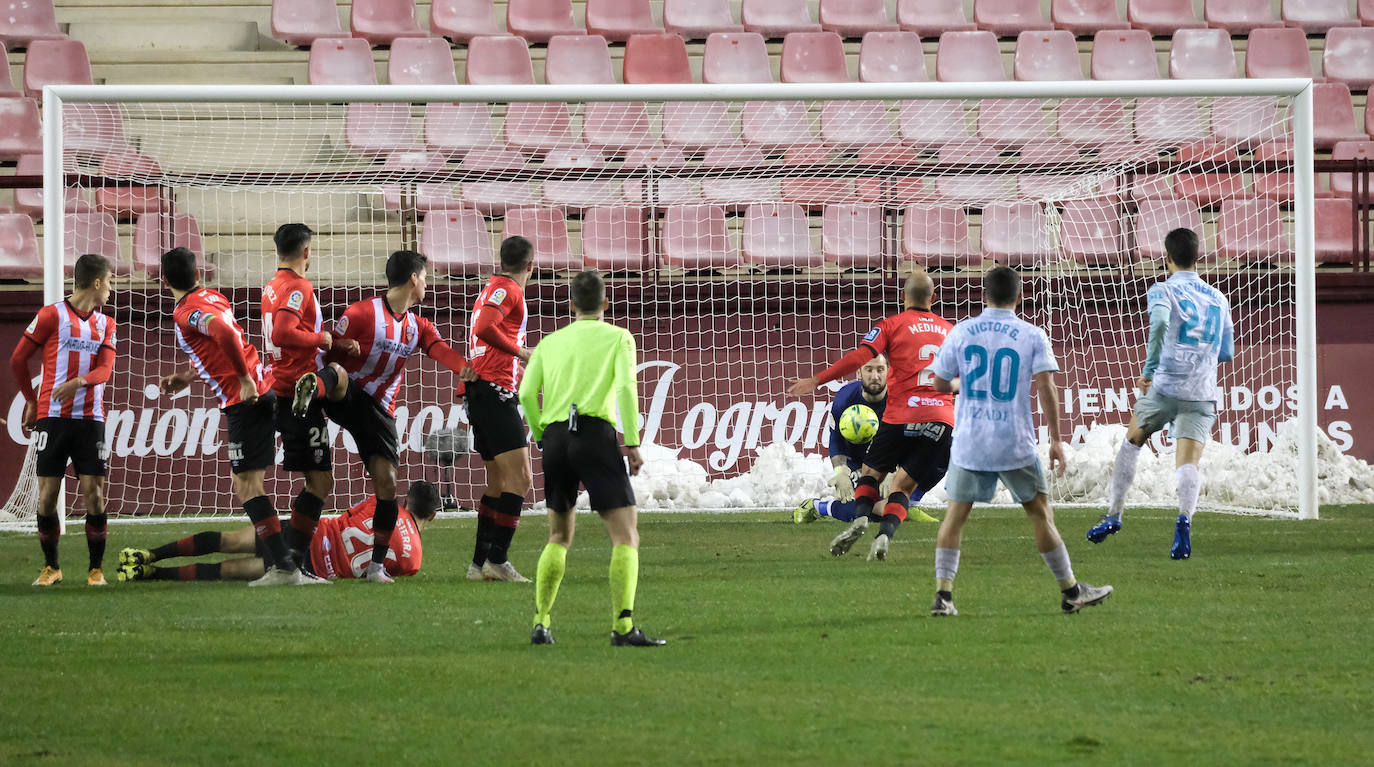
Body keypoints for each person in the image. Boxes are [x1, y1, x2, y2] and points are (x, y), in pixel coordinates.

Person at [926, 266, 1113, 616]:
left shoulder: (962, 332)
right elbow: (1046, 387)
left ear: (983, 295)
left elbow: (938, 384)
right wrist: (1056, 439)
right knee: (1041, 515)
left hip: (971, 441)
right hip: (1013, 442)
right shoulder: (1031, 335)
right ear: (1020, 297)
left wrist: (959, 385)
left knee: (954, 518)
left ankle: (943, 596)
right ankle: (1071, 591)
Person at [291, 250, 473, 583]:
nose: (427, 284)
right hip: (348, 396)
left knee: (387, 486)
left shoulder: (417, 326)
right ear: (413, 279)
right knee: (336, 372)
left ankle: (376, 567)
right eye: (426, 278)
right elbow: (329, 351)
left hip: (380, 414)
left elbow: (439, 349)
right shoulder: (362, 313)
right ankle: (310, 390)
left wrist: (464, 369)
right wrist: (345, 346)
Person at [157, 247, 324, 587]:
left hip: (245, 398)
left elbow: (224, 334)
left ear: (163, 281)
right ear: (199, 275)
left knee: (248, 487)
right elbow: (216, 343)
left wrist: (244, 380)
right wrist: (187, 376)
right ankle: (290, 565)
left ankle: (285, 568)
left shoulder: (185, 312)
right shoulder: (213, 296)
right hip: (265, 390)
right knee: (252, 484)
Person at [518, 270, 664, 647]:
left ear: (570, 305)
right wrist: (631, 442)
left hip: (555, 439)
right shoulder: (618, 337)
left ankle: (541, 621)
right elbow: (627, 388)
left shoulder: (550, 341)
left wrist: (539, 435)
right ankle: (622, 626)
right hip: (595, 435)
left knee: (559, 535)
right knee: (625, 535)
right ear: (605, 304)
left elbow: (526, 392)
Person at [1086, 228, 1235, 560]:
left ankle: (1114, 515)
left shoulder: (1162, 290)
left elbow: (1159, 326)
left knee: (1132, 441)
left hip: (1165, 386)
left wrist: (1149, 370)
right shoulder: (1218, 298)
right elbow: (1226, 352)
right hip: (1201, 392)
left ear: (1166, 257)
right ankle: (1183, 523)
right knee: (1188, 463)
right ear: (1197, 257)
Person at [788, 269, 955, 561]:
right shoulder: (951, 331)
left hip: (901, 414)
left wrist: (817, 380)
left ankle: (861, 519)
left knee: (870, 475)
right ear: (934, 298)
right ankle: (885, 536)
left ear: (903, 296)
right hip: (940, 417)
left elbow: (859, 356)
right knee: (902, 487)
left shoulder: (892, 325)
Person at [9, 254, 117, 587]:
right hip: (52, 419)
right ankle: (52, 567)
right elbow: (18, 360)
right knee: (46, 496)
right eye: (110, 282)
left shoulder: (106, 324)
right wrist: (31, 401)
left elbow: (105, 370)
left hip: (90, 419)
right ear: (97, 282)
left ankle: (95, 570)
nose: (111, 289)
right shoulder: (50, 315)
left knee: (94, 495)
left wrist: (78, 383)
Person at [260, 223, 360, 565]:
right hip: (294, 389)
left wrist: (331, 339)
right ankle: (295, 560)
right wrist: (321, 340)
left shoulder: (272, 286)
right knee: (320, 481)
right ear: (306, 251)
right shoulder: (298, 286)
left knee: (318, 480)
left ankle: (292, 558)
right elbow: (284, 331)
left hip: (278, 384)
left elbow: (292, 330)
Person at [115, 482, 442, 582]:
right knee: (227, 571)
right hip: (312, 568)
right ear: (433, 516)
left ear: (407, 499)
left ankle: (148, 554)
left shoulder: (380, 504)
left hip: (305, 535)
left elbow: (345, 517)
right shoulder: (414, 559)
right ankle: (152, 575)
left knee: (228, 541)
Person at [791, 354, 939, 525]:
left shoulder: (902, 399)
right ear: (859, 373)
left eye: (880, 370)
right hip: (859, 464)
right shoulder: (845, 398)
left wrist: (895, 470)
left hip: (891, 459)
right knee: (867, 512)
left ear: (888, 373)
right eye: (869, 369)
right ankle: (817, 506)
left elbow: (913, 440)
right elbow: (836, 440)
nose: (874, 376)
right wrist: (841, 473)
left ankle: (911, 503)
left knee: (943, 446)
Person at [465, 236, 536, 582]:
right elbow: (484, 328)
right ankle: (498, 558)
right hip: (494, 393)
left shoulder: (491, 286)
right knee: (520, 479)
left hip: (481, 392)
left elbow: (486, 334)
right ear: (530, 267)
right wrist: (521, 353)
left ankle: (479, 564)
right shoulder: (510, 290)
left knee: (497, 481)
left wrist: (516, 365)